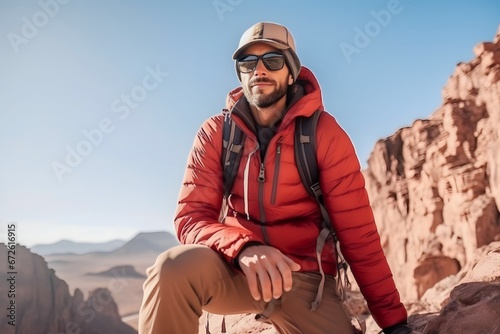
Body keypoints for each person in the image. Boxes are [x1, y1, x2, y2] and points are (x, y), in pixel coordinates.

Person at [138, 22, 415, 334]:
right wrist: (243, 248)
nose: (259, 70)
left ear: (291, 71)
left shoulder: (324, 134)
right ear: (240, 73)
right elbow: (191, 217)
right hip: (235, 270)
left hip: (305, 280)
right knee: (171, 269)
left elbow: (359, 237)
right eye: (248, 62)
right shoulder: (217, 133)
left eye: (272, 60)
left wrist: (394, 324)